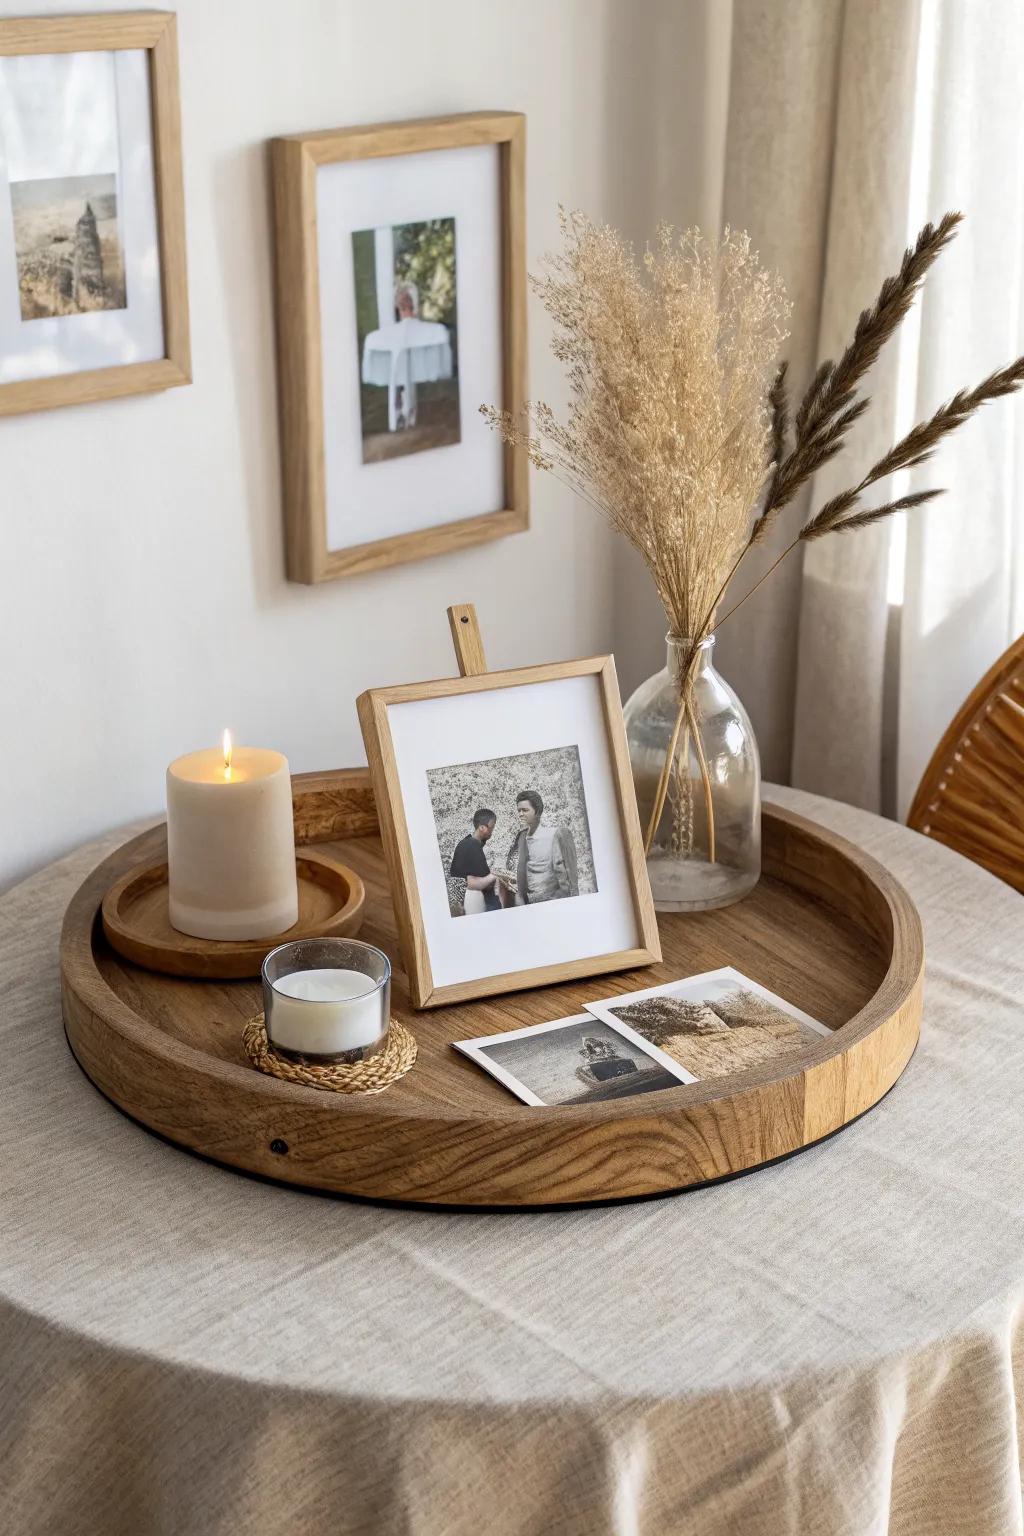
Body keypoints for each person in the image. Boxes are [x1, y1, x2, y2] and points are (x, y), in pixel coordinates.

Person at [508, 789, 579, 904]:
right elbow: (521, 878)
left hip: (556, 901)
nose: (520, 814)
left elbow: (572, 879)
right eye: (519, 810)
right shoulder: (522, 837)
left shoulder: (558, 834)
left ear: (537, 812)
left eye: (525, 810)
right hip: (532, 904)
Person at [449, 809, 501, 915]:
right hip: (471, 903)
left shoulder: (467, 843)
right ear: (482, 827)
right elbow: (473, 883)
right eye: (492, 827)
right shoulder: (472, 845)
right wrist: (496, 875)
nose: (492, 830)